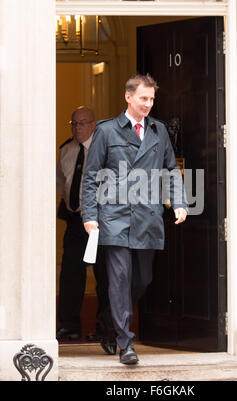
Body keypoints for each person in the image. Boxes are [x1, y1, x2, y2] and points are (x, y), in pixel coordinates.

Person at [82, 74, 188, 365]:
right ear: (128, 97)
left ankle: (107, 319)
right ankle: (125, 343)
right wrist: (90, 215)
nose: (148, 104)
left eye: (152, 99)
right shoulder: (106, 131)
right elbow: (91, 176)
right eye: (143, 98)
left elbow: (170, 170)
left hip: (148, 217)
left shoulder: (159, 131)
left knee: (142, 279)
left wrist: (178, 202)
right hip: (114, 217)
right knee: (119, 278)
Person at [56, 106, 116, 355]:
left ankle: (105, 328)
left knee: (104, 275)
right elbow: (62, 183)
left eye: (82, 123)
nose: (77, 127)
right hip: (76, 221)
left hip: (101, 222)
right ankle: (68, 326)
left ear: (93, 125)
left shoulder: (105, 151)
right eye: (74, 123)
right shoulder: (65, 150)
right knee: (70, 273)